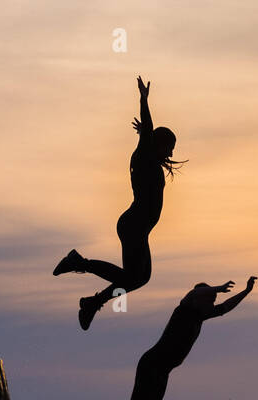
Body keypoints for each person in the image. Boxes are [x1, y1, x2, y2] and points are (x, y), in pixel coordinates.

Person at [82, 277, 256, 400]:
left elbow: (226, 307)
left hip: (162, 371)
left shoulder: (200, 316)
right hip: (152, 365)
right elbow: (194, 293)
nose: (212, 304)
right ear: (198, 299)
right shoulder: (184, 310)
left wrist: (246, 291)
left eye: (213, 300)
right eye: (210, 299)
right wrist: (217, 287)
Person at [54, 76, 183, 330]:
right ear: (158, 143)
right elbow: (147, 129)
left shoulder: (150, 159)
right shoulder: (145, 155)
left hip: (138, 228)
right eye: (170, 147)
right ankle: (79, 265)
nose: (171, 154)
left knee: (139, 278)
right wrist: (144, 100)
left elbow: (146, 135)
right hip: (133, 225)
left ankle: (92, 301)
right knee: (132, 277)